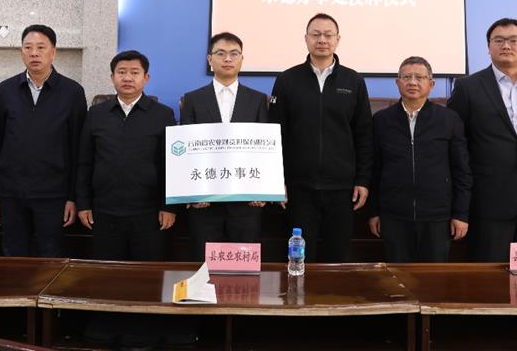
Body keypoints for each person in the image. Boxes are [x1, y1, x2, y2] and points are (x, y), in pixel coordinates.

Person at [269, 13, 372, 262]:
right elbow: (276, 134)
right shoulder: (287, 80)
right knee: (300, 258)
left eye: (328, 35)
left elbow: (364, 135)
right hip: (299, 189)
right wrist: (277, 181)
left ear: (338, 39)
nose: (322, 40)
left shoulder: (354, 81)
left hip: (343, 190)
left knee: (339, 257)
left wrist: (363, 180)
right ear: (306, 39)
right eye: (316, 34)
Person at [0, 24, 87, 257]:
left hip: (53, 194)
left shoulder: (72, 92)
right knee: (13, 255)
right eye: (28, 47)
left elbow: (78, 150)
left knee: (50, 256)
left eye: (41, 47)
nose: (34, 53)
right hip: (10, 192)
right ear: (21, 52)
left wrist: (73, 198)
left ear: (53, 52)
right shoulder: (5, 90)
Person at [368, 56, 472, 262]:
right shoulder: (381, 121)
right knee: (398, 277)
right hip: (394, 216)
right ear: (397, 82)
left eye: (419, 77)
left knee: (433, 278)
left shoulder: (449, 120)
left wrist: (460, 214)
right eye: (406, 77)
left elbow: (462, 171)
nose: (413, 82)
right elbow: (374, 170)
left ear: (431, 84)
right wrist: (374, 212)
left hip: (437, 217)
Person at [76, 50, 176, 260]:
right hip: (104, 211)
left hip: (149, 213)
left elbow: (170, 165)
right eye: (121, 72)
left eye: (134, 72)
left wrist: (168, 207)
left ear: (146, 78)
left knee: (147, 274)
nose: (128, 78)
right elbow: (85, 162)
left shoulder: (163, 115)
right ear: (112, 77)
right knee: (107, 272)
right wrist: (83, 204)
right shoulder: (96, 114)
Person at [180, 32, 269, 262]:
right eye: (221, 53)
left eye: (234, 54)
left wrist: (263, 190)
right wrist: (192, 192)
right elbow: (186, 150)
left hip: (246, 201)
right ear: (210, 59)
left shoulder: (258, 99)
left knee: (244, 265)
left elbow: (264, 149)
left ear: (241, 59)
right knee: (204, 264)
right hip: (205, 201)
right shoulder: (192, 100)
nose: (227, 59)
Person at [448, 17, 517, 261]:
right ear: (488, 47)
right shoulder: (468, 87)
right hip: (489, 202)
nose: (506, 46)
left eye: (513, 40)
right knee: (491, 273)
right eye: (499, 40)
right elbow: (456, 144)